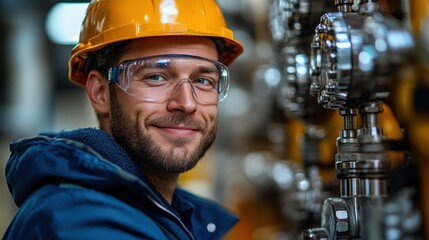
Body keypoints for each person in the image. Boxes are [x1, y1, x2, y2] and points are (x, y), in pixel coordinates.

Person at [3, 0, 243, 239]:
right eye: (156, 77)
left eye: (203, 81)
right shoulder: (81, 224)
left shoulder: (162, 214)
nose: (187, 103)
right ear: (100, 92)